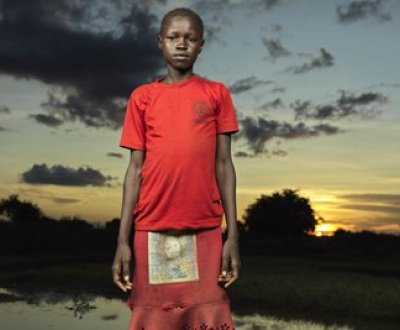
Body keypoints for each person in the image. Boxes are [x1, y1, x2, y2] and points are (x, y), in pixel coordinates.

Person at [112, 7, 241, 330]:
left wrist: (233, 235)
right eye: (173, 37)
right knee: (156, 317)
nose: (181, 44)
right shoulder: (142, 98)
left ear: (201, 45)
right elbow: (134, 171)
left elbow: (224, 165)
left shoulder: (216, 94)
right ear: (160, 42)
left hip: (206, 229)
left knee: (208, 313)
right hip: (151, 229)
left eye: (190, 38)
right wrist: (122, 240)